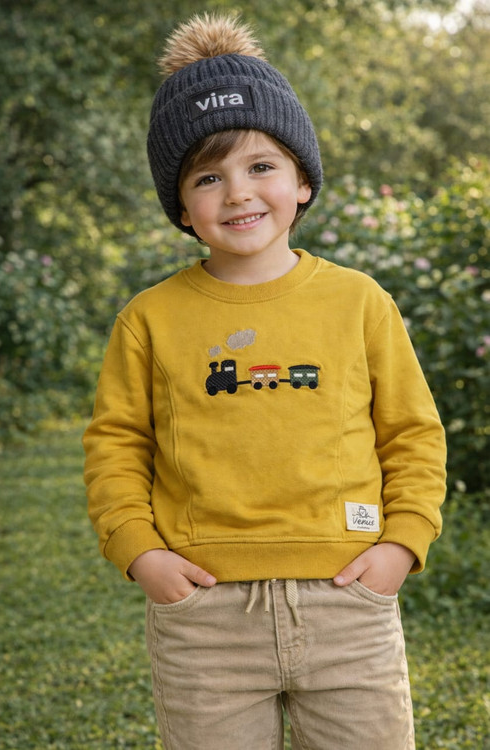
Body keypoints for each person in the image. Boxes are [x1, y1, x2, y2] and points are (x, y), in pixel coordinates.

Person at [83, 12, 446, 750]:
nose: (237, 193)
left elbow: (412, 433)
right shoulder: (149, 319)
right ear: (182, 208)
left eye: (261, 167)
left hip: (348, 598)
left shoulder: (360, 302)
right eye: (207, 177)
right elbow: (116, 446)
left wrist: (402, 544)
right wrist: (140, 551)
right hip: (203, 614)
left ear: (302, 180)